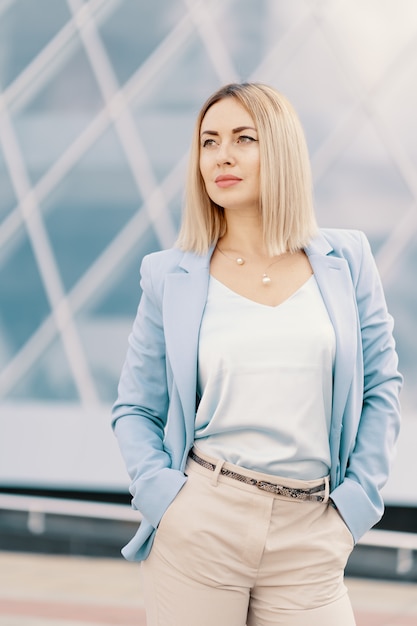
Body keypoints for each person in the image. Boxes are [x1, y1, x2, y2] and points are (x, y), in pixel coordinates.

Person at [111, 83, 402, 626]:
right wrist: (166, 504)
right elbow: (136, 409)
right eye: (209, 141)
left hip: (312, 529)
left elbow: (383, 387)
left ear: (282, 150)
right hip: (201, 522)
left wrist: (355, 508)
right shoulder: (168, 275)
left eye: (244, 139)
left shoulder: (348, 258)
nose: (222, 155)